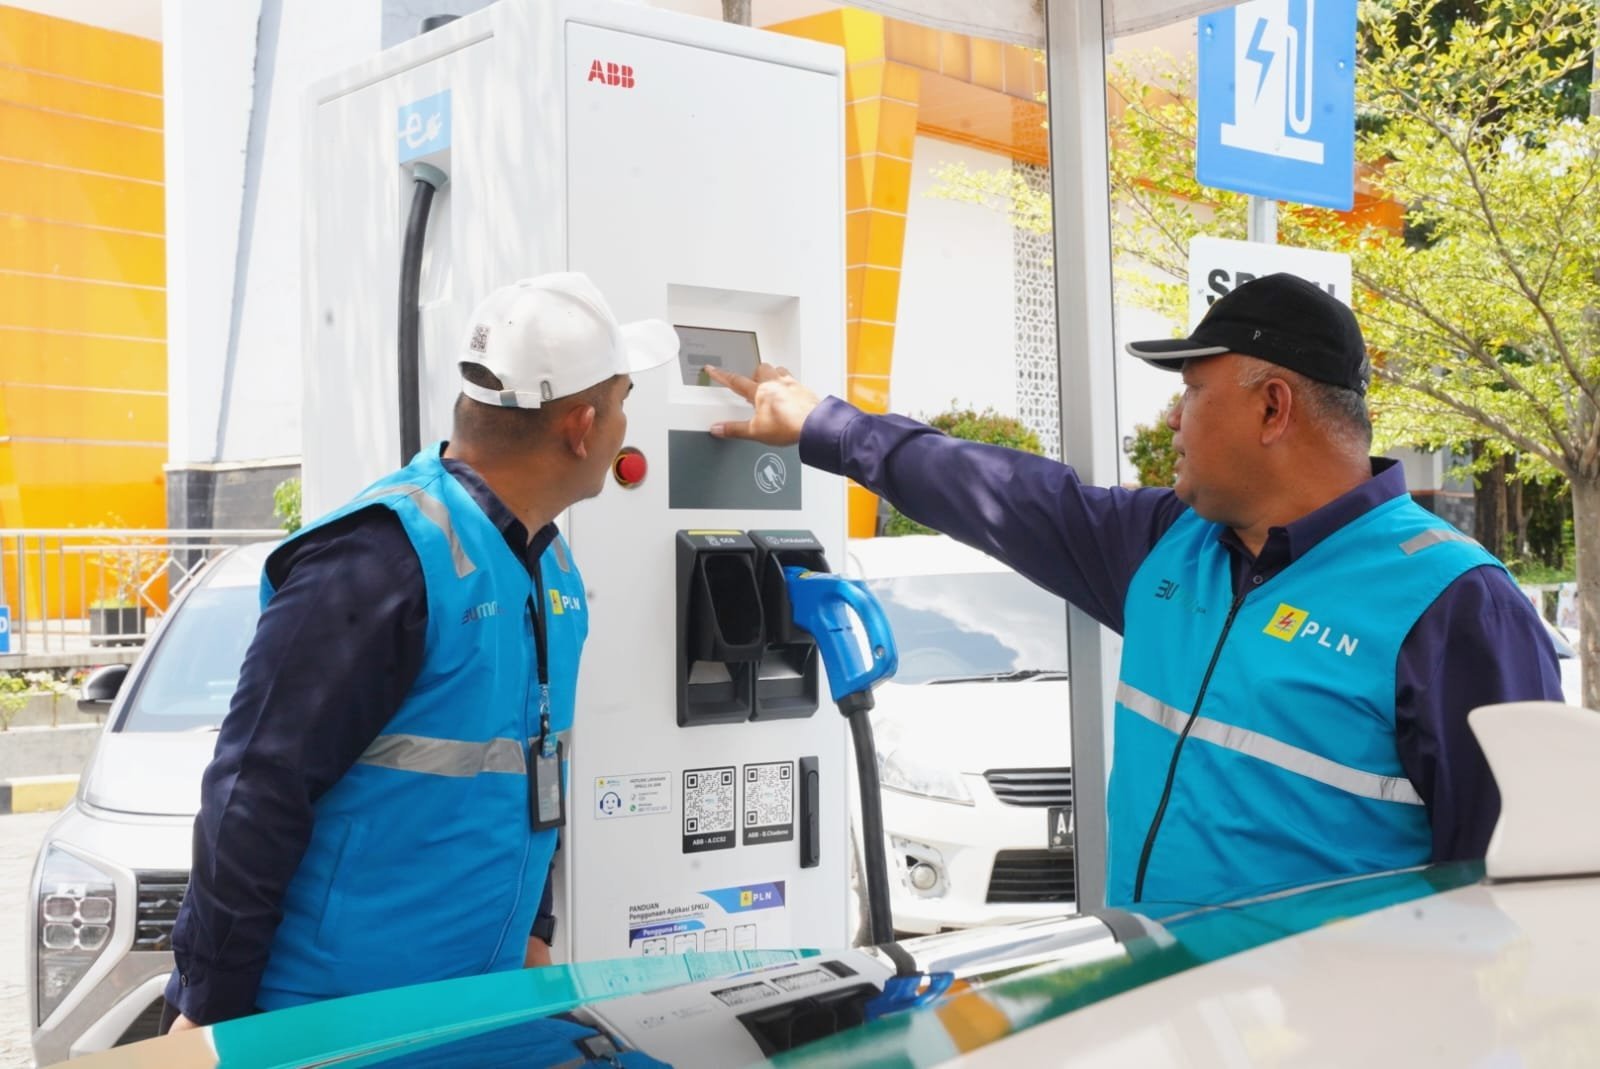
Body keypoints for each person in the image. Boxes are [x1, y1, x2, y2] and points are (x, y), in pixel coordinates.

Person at [706, 272, 1562, 909]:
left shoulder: (1453, 604)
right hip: (1166, 1015)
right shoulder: (1172, 545)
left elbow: (1522, 893)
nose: (1173, 420)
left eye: (1191, 391)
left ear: (1273, 409)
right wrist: (826, 426)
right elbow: (1001, 493)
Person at [164, 272, 677, 1030]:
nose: (627, 427)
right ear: (581, 426)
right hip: (328, 1023)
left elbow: (532, 764)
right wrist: (211, 1009)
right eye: (625, 400)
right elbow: (254, 791)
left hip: (469, 1011)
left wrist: (535, 931)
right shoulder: (379, 559)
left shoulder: (550, 565)